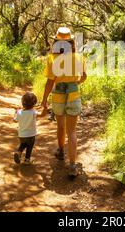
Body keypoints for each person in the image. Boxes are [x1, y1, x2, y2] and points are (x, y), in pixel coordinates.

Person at [41, 27, 87, 177]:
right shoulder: (79, 57)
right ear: (71, 42)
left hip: (58, 95)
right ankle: (73, 166)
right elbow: (84, 76)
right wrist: (76, 83)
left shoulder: (52, 58)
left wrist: (44, 100)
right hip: (73, 94)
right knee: (72, 131)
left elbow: (49, 82)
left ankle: (61, 151)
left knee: (60, 126)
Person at [13, 92, 47, 165]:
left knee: (23, 145)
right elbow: (42, 115)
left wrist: (16, 112)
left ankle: (18, 153)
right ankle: (27, 160)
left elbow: (15, 120)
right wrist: (45, 108)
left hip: (21, 134)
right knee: (29, 147)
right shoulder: (33, 112)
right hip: (31, 134)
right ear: (34, 104)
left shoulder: (19, 112)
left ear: (22, 102)